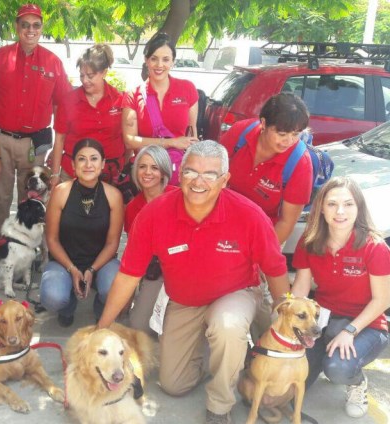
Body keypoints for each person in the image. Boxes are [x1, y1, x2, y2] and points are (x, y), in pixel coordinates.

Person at [97, 140, 290, 424]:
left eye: (210, 174)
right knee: (173, 384)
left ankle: (220, 405)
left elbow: (275, 270)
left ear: (224, 180)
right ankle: (228, 358)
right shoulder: (154, 214)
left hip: (236, 293)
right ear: (179, 173)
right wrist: (101, 330)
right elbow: (128, 275)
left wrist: (283, 325)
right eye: (190, 172)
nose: (199, 182)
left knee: (227, 324)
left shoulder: (249, 215)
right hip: (185, 301)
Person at [291, 177, 390, 419]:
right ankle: (326, 351)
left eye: (348, 204)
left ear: (359, 208)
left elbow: (383, 300)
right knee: (294, 380)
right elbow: (301, 287)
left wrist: (350, 331)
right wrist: (287, 322)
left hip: (366, 324)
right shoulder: (309, 240)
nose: (340, 211)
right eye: (332, 204)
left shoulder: (374, 247)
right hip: (323, 320)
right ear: (321, 208)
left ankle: (356, 383)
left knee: (338, 368)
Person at [220, 93, 313, 340]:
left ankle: (268, 343)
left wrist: (256, 257)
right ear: (263, 124)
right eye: (282, 134)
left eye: (296, 134)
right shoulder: (240, 134)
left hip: (265, 234)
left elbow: (286, 222)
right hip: (221, 223)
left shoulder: (299, 163)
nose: (289, 141)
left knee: (256, 289)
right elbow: (210, 173)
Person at [0, 3, 72, 246]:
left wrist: (58, 147)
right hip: (2, 141)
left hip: (36, 145)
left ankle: (27, 249)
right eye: (25, 25)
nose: (30, 30)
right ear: (17, 27)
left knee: (32, 198)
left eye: (35, 25)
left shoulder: (53, 62)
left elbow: (61, 106)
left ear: (42, 28)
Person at [40, 138, 124, 327]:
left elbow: (112, 243)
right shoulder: (61, 192)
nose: (88, 165)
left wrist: (92, 270)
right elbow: (52, 239)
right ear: (72, 164)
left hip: (101, 262)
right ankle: (67, 304)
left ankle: (101, 306)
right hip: (64, 261)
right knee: (52, 296)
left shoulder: (113, 196)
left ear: (102, 164)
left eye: (94, 159)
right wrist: (72, 269)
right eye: (81, 159)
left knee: (114, 288)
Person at [121, 32, 198, 181]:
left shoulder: (187, 89)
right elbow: (129, 140)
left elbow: (191, 134)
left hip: (178, 171)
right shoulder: (134, 95)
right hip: (147, 173)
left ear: (172, 62)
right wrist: (171, 143)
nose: (159, 65)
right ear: (146, 60)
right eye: (154, 59)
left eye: (166, 59)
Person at [50, 43, 124, 188]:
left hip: (110, 175)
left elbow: (126, 139)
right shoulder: (69, 100)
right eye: (82, 75)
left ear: (104, 72)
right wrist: (55, 175)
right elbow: (59, 139)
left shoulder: (119, 99)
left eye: (90, 76)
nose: (85, 81)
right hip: (73, 173)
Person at [124, 145, 177, 334]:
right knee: (138, 324)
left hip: (182, 269)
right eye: (142, 166)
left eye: (154, 168)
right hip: (155, 272)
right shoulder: (132, 208)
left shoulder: (179, 196)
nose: (148, 172)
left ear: (164, 172)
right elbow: (135, 253)